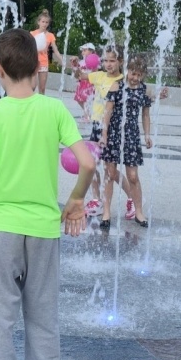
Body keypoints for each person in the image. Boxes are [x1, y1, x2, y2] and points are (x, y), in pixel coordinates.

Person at [0, 28, 95, 360]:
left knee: (0, 318)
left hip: (2, 228)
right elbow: (86, 162)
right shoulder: (53, 110)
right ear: (38, 67)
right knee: (42, 316)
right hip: (43, 229)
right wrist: (75, 201)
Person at [98, 57, 155, 230]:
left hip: (131, 135)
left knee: (132, 176)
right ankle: (106, 212)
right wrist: (104, 134)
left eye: (139, 75)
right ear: (127, 71)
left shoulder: (144, 90)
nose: (135, 77)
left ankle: (139, 211)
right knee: (110, 173)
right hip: (114, 134)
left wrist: (146, 135)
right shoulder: (117, 86)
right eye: (132, 73)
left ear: (143, 75)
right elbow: (107, 112)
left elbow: (145, 115)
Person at [74, 46, 124, 218]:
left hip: (112, 128)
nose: (108, 64)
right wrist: (75, 68)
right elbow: (80, 77)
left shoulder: (122, 81)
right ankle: (96, 199)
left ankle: (132, 196)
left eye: (112, 60)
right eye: (105, 60)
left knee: (111, 170)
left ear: (120, 62)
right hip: (97, 124)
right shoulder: (99, 75)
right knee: (92, 163)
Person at [29, 9, 63, 95]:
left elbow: (55, 49)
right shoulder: (32, 34)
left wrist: (62, 60)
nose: (44, 24)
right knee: (32, 86)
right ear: (38, 22)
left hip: (43, 62)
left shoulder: (50, 36)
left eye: (46, 22)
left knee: (42, 88)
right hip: (33, 61)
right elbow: (27, 47)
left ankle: (41, 105)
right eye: (43, 22)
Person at [73, 43, 98, 121]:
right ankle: (86, 112)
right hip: (81, 83)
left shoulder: (94, 61)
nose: (82, 52)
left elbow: (95, 72)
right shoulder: (82, 62)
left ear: (91, 51)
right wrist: (75, 64)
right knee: (79, 99)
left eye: (84, 50)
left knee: (87, 99)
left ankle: (87, 114)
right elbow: (77, 72)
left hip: (89, 83)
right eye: (82, 51)